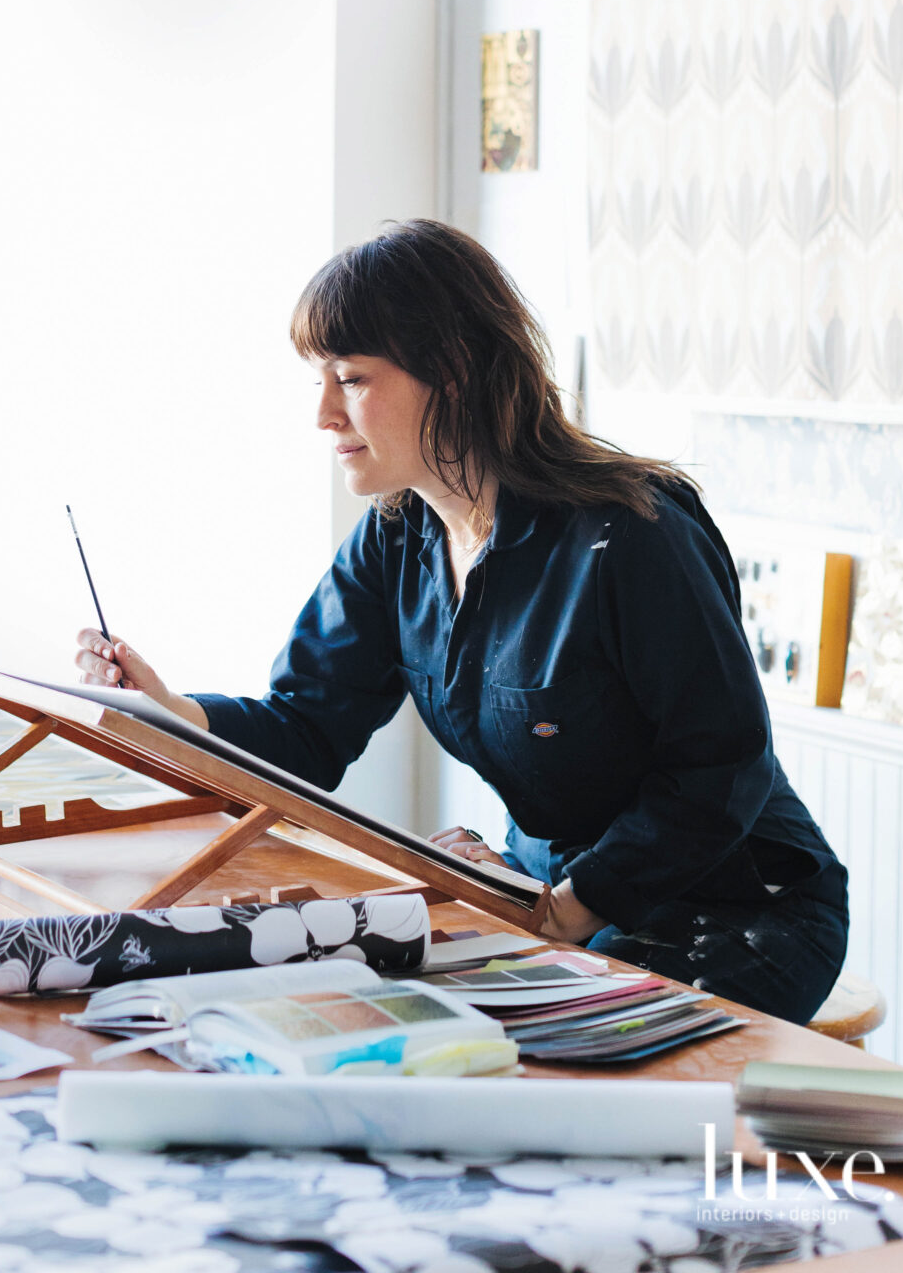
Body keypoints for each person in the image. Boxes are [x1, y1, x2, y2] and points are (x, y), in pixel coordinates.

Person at [74, 219, 848, 1024]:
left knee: (506, 1061)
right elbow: (308, 726)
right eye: (319, 380)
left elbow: (720, 767)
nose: (324, 417)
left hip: (736, 912)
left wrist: (573, 908)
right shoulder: (396, 534)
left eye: (350, 378)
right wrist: (175, 714)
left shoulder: (630, 534)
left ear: (450, 370)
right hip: (551, 895)